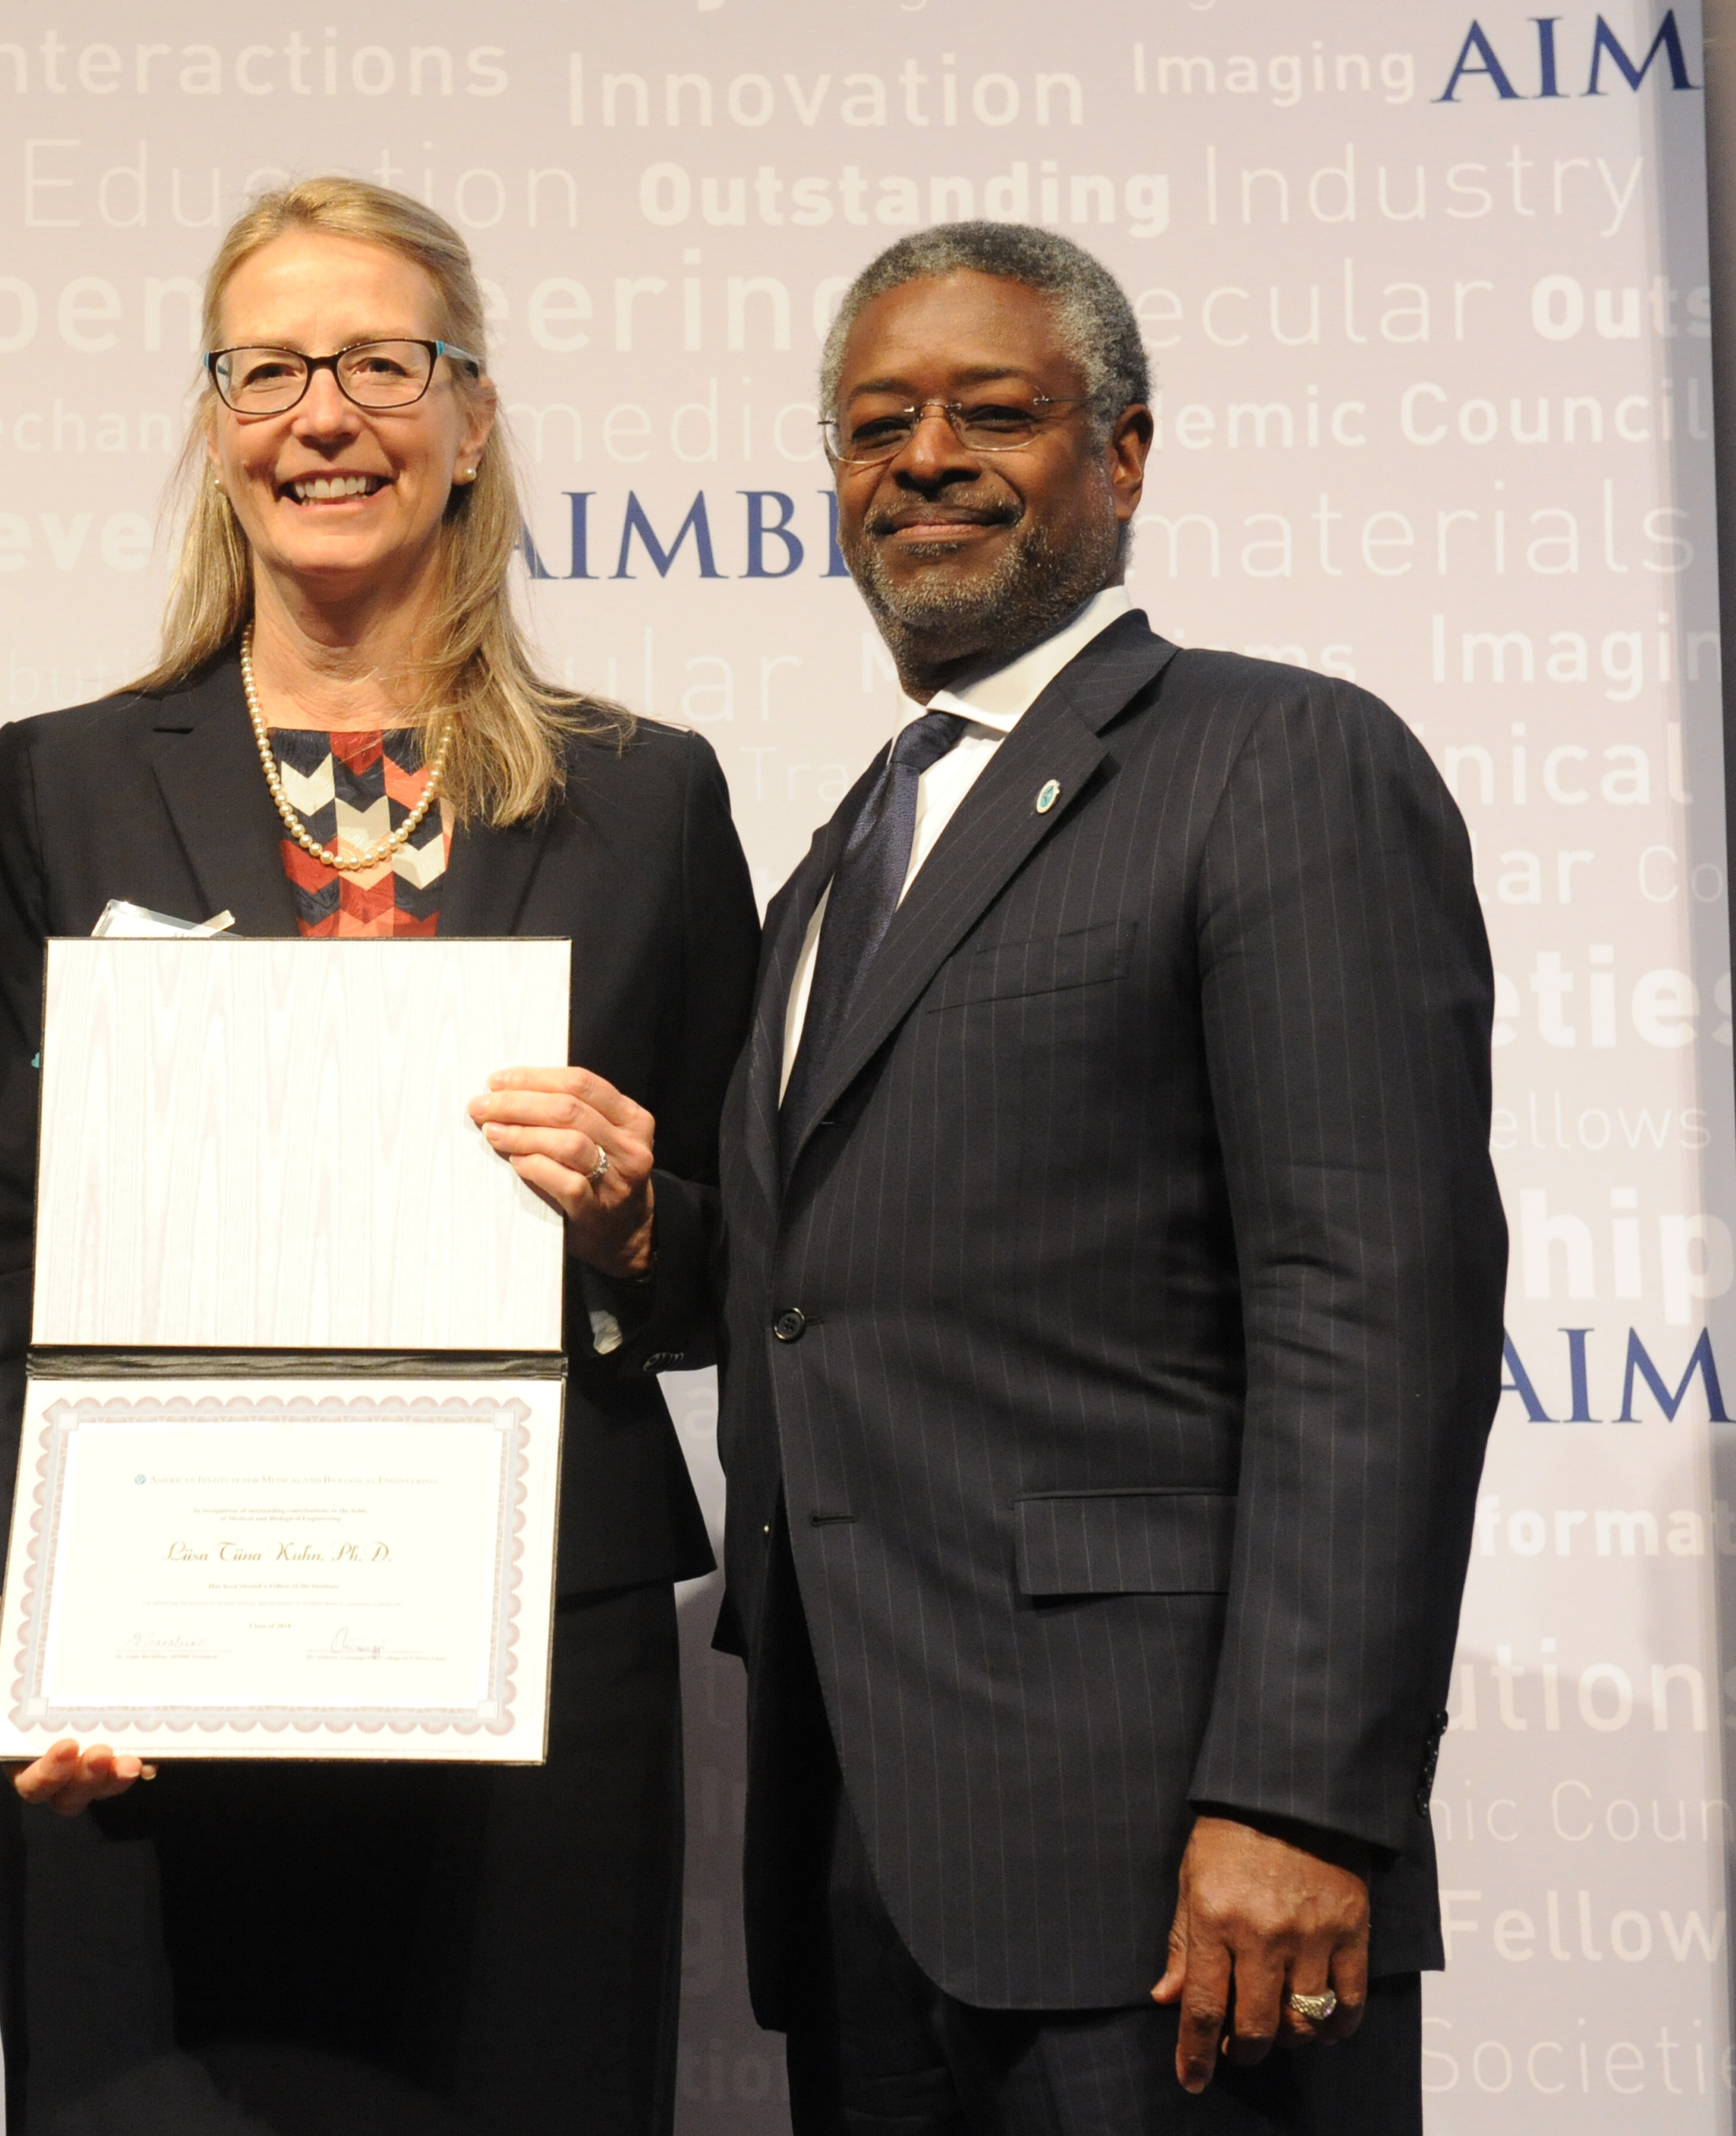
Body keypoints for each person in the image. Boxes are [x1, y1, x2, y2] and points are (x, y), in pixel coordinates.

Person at [0, 176, 759, 2135]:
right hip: (146, 1665)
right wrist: (34, 1604)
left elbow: (755, 1269)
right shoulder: (59, 781)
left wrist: (640, 1215)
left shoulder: (646, 797)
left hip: (531, 1654)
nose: (325, 416)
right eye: (269, 370)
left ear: (471, 421)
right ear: (216, 433)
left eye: (383, 364)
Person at [714, 222, 1504, 2133]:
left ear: (1124, 456)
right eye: (874, 422)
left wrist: (1299, 1794)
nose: (925, 457)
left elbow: (1371, 1305)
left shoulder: (1277, 758)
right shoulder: (841, 852)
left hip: (1178, 1876)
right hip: (871, 1876)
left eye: (995, 411)